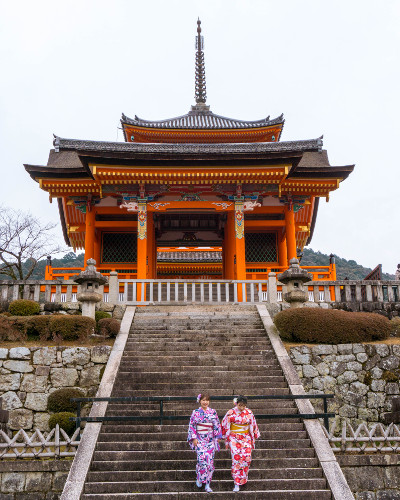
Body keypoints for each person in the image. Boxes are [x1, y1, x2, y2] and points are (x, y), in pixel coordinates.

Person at [221, 395, 260, 492]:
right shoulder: (230, 412)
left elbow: (253, 424)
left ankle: (243, 478)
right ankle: (236, 482)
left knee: (247, 457)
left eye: (243, 406)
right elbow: (224, 424)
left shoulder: (249, 412)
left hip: (246, 437)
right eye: (240, 405)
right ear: (236, 404)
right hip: (234, 438)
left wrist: (254, 435)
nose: (241, 408)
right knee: (236, 457)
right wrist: (223, 436)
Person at [187, 393, 222, 493]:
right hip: (200, 440)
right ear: (200, 401)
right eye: (203, 400)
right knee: (202, 460)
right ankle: (199, 477)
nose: (205, 402)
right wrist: (193, 438)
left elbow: (216, 424)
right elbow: (192, 425)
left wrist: (218, 436)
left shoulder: (213, 412)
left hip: (210, 440)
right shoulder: (195, 412)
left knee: (210, 463)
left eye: (207, 400)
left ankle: (207, 484)